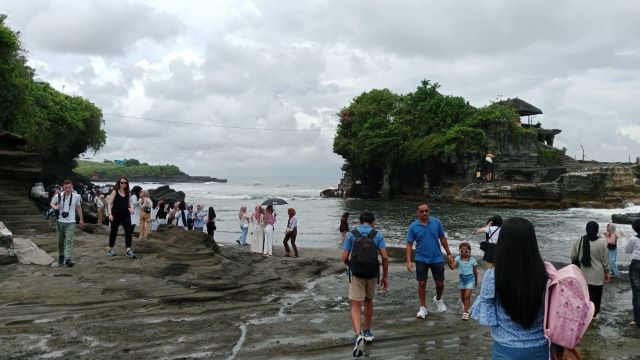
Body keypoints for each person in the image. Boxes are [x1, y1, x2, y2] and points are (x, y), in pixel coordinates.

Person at [471, 217, 549, 359]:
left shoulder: (493, 276)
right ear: (532, 242)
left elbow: (487, 318)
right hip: (540, 348)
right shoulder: (546, 274)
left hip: (505, 348)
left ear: (503, 242)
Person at [341, 210, 388, 358]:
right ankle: (367, 331)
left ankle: (358, 334)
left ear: (360, 221)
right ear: (373, 221)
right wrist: (385, 276)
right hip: (372, 273)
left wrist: (352, 266)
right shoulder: (377, 235)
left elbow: (344, 257)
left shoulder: (351, 235)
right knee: (368, 301)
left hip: (357, 274)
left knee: (355, 305)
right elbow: (385, 257)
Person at [406, 203, 454, 318]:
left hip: (437, 257)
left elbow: (442, 238)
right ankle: (423, 308)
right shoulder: (413, 226)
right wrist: (408, 261)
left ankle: (438, 299)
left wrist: (449, 253)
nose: (424, 213)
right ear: (417, 213)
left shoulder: (436, 222)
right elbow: (409, 244)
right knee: (422, 283)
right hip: (421, 258)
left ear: (429, 211)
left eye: (426, 211)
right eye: (421, 211)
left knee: (440, 283)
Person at [570, 221, 610, 317]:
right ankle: (593, 316)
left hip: (582, 274)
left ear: (586, 229)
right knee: (596, 296)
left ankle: (583, 314)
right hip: (597, 275)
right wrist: (607, 273)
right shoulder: (602, 242)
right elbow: (605, 261)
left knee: (583, 295)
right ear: (597, 230)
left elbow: (572, 256)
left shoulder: (579, 241)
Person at [50, 179, 84, 267]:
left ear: (72, 187)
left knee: (69, 240)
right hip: (60, 221)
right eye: (66, 187)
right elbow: (52, 203)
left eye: (69, 187)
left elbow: (79, 208)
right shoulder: (59, 195)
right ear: (63, 187)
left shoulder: (76, 196)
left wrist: (81, 219)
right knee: (60, 241)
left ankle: (68, 258)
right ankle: (61, 255)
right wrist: (55, 207)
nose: (68, 189)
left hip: (71, 221)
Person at [107, 177, 136, 258]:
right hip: (115, 214)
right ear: (119, 183)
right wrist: (110, 214)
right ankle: (110, 249)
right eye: (122, 182)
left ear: (127, 183)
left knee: (128, 231)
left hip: (126, 214)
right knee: (114, 231)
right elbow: (109, 203)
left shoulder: (128, 192)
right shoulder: (114, 191)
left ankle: (128, 250)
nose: (123, 184)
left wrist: (132, 209)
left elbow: (130, 203)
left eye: (125, 183)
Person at [448, 242, 478, 320]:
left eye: (466, 251)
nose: (463, 252)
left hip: (471, 279)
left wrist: (476, 281)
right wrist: (449, 262)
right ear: (459, 251)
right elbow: (452, 267)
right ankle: (466, 306)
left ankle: (465, 313)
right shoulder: (458, 258)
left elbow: (475, 272)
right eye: (462, 251)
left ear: (469, 251)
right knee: (462, 296)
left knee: (467, 296)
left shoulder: (472, 260)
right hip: (462, 279)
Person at [626, 219, 640, 326]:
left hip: (636, 264)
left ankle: (637, 319)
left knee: (636, 292)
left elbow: (627, 250)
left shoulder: (633, 239)